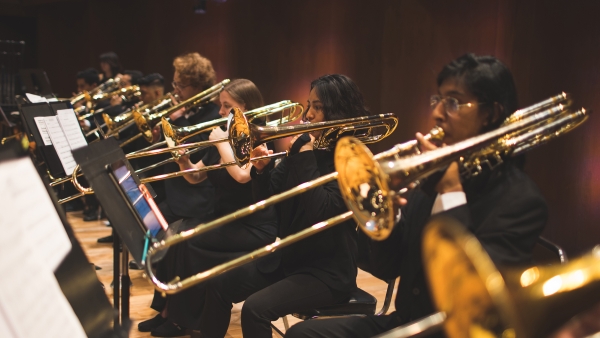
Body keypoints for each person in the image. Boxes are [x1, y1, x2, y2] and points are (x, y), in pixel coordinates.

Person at [285, 54, 549, 338]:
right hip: (408, 322)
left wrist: (450, 193)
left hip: (454, 330)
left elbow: (475, 299)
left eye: (454, 103)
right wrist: (386, 216)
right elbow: (388, 268)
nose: (437, 114)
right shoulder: (428, 181)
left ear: (491, 114)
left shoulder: (520, 200)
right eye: (438, 100)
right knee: (303, 334)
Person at [196, 74, 368, 338]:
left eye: (318, 107)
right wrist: (262, 170)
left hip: (325, 271)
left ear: (338, 110)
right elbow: (268, 201)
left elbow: (320, 212)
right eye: (308, 105)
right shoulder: (304, 147)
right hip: (290, 258)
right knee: (218, 283)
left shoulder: (351, 159)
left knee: (254, 309)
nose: (308, 114)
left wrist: (305, 156)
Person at [141, 79, 279, 337]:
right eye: (221, 105)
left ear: (244, 108)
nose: (220, 112)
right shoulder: (227, 137)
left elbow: (243, 175)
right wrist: (184, 163)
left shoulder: (260, 136)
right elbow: (197, 177)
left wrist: (220, 143)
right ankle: (167, 310)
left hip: (252, 225)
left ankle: (185, 320)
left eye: (227, 106)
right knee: (173, 236)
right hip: (226, 218)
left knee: (188, 241)